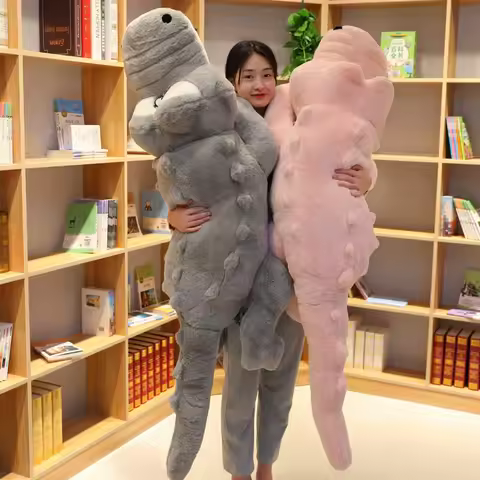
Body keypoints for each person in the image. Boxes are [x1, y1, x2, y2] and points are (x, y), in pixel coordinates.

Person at [168, 40, 373, 480]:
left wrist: (365, 176)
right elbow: (182, 179)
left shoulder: (298, 119)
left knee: (280, 385)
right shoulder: (218, 128)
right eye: (248, 76)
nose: (259, 84)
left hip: (294, 278)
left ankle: (266, 466)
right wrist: (172, 216)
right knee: (240, 389)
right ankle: (239, 471)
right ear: (232, 81)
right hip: (238, 279)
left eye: (267, 74)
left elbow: (350, 155)